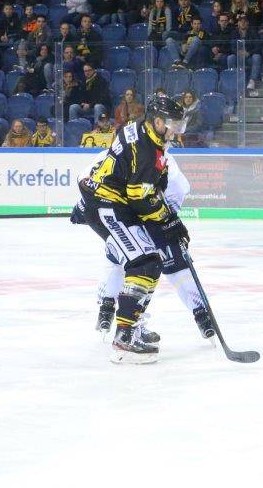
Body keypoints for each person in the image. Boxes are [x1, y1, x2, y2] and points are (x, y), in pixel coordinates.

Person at [74, 95, 196, 363]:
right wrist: (169, 220)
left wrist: (165, 209)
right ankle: (125, 337)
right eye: (173, 124)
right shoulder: (145, 148)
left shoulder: (143, 131)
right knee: (143, 263)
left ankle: (133, 325)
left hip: (113, 202)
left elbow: (135, 177)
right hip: (108, 205)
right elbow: (140, 197)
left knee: (152, 262)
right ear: (158, 121)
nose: (176, 130)